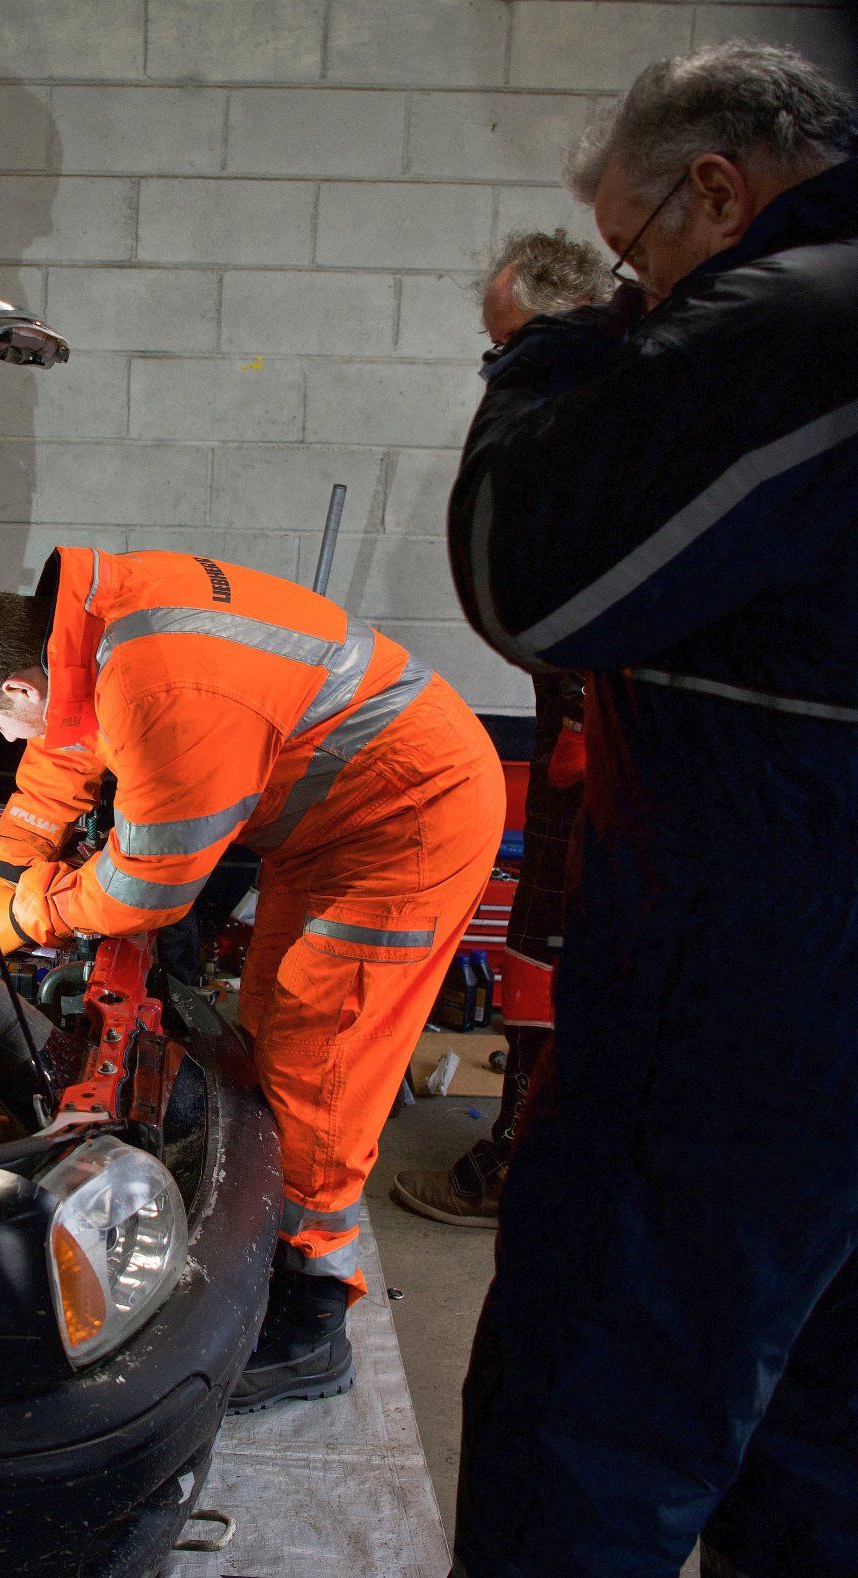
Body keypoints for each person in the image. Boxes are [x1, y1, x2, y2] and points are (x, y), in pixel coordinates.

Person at [444, 43, 858, 1577]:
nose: (642, 297)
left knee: (589, 1412)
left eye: (638, 259)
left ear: (716, 187)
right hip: (801, 948)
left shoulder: (795, 314)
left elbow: (529, 579)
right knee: (809, 1428)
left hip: (756, 973)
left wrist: (552, 351)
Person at [0, 548, 503, 1410]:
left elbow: (149, 889)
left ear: (15, 688)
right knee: (267, 1021)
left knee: (320, 1055)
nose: (8, 745)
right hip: (336, 816)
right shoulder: (81, 628)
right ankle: (277, 1242)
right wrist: (4, 872)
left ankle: (311, 1315)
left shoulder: (160, 684)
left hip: (407, 824)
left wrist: (29, 915)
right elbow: (60, 752)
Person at [392, 230, 608, 1229]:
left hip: (600, 734)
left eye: (503, 345)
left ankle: (518, 1173)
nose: (495, 371)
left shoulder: (588, 416)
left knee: (550, 957)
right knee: (552, 955)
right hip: (586, 722)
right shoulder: (619, 407)